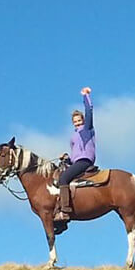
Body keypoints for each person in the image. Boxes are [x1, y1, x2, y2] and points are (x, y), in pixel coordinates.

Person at [55, 87, 96, 222]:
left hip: (85, 160)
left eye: (79, 120)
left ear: (83, 120)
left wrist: (86, 96)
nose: (78, 123)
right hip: (77, 161)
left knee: (63, 179)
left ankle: (65, 211)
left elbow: (89, 111)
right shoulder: (73, 137)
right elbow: (74, 156)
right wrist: (67, 159)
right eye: (75, 121)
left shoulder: (87, 128)